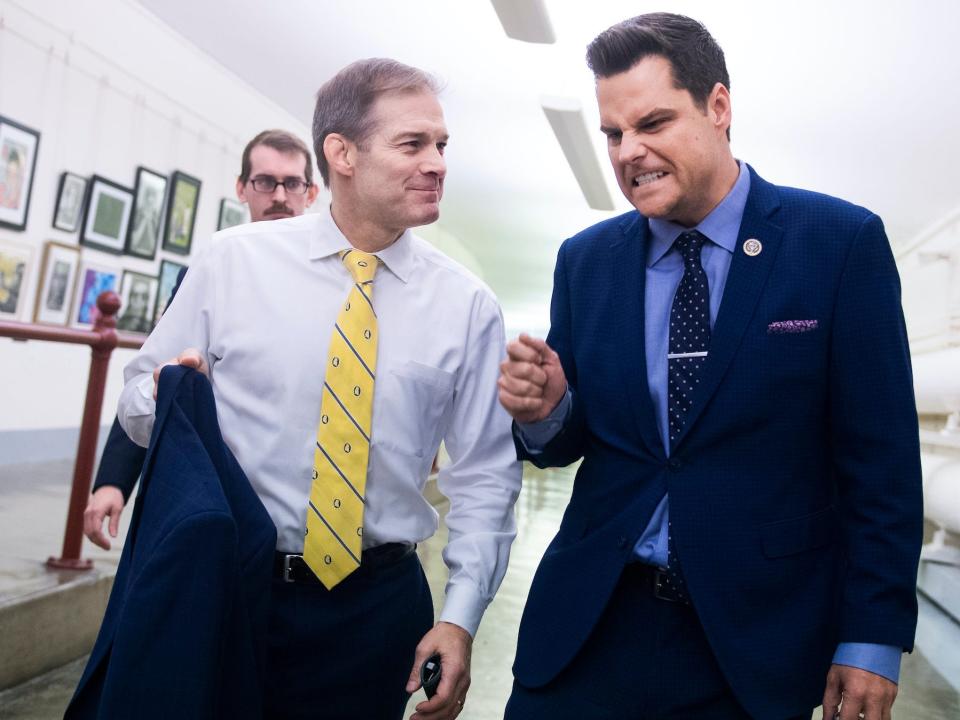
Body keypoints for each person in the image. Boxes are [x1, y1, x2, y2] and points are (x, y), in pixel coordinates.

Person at [498, 13, 922, 720]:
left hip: (753, 643)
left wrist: (872, 636)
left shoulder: (838, 245)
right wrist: (546, 412)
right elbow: (571, 442)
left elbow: (882, 464)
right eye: (613, 133)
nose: (629, 150)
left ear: (718, 107)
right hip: (589, 627)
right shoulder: (588, 261)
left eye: (653, 123)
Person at [114, 59, 520, 720]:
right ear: (343, 153)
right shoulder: (232, 263)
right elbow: (136, 403)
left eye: (442, 145)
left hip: (378, 613)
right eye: (413, 144)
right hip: (233, 593)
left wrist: (461, 618)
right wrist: (172, 397)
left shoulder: (468, 307)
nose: (438, 162)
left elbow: (485, 477)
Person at [84, 128, 320, 531]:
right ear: (242, 188)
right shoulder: (209, 272)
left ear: (311, 193)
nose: (279, 196)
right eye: (265, 182)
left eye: (292, 183)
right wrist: (113, 481)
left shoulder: (340, 280)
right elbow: (163, 374)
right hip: (217, 497)